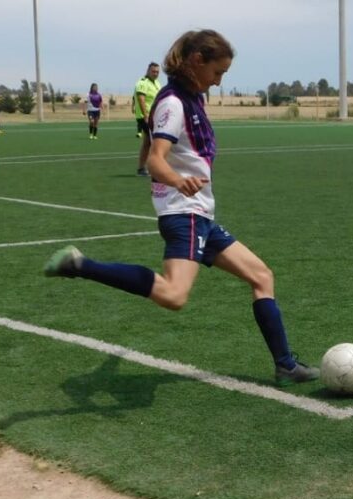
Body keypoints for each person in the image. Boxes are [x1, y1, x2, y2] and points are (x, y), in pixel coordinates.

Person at [43, 30, 320, 385]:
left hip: (200, 214)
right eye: (217, 73)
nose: (218, 82)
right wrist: (178, 181)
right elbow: (155, 160)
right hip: (183, 213)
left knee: (261, 276)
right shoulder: (173, 103)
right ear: (197, 61)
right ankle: (80, 265)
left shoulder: (193, 98)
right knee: (174, 295)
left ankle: (285, 364)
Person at [134, 62, 162, 176]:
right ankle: (156, 167)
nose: (155, 74)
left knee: (147, 143)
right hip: (145, 117)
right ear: (148, 71)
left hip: (155, 116)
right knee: (156, 142)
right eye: (153, 71)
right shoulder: (142, 83)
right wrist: (146, 115)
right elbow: (141, 99)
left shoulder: (157, 83)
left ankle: (141, 168)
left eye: (157, 72)